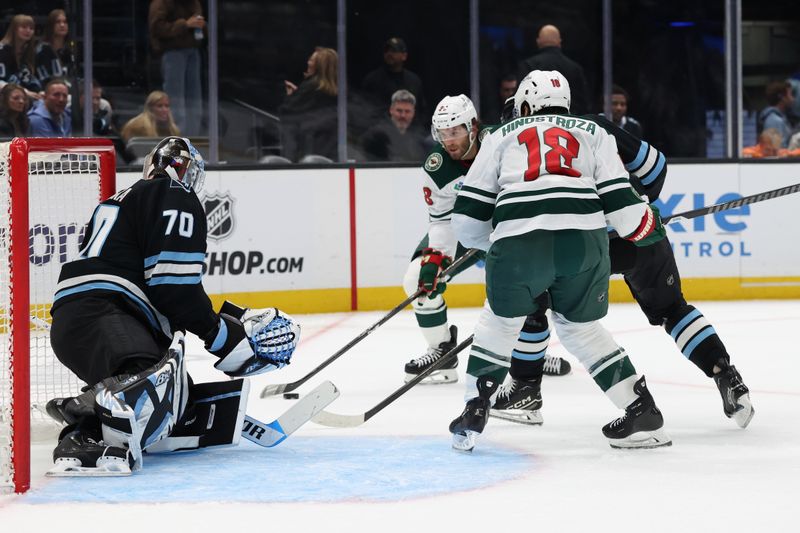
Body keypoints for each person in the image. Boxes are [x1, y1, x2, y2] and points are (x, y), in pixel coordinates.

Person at [489, 84, 756, 431]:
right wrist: (632, 203)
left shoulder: (511, 143)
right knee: (673, 309)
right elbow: (655, 168)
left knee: (533, 293)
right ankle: (727, 375)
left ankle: (525, 387)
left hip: (581, 245)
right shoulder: (594, 126)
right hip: (640, 235)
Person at [46, 137, 301, 476]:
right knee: (153, 382)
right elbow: (173, 286)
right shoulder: (175, 194)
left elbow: (161, 286)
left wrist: (223, 321)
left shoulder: (126, 198)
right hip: (108, 314)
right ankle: (80, 424)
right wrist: (222, 335)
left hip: (83, 320)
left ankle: (126, 407)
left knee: (173, 388)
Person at [448, 70, 672, 452]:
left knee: (499, 323)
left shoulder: (501, 134)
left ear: (524, 103)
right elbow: (626, 212)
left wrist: (499, 242)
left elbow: (467, 223)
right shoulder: (595, 131)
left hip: (519, 243)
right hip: (583, 245)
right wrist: (647, 222)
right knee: (580, 329)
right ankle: (640, 409)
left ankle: (475, 407)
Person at [402, 93, 570, 390]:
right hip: (465, 229)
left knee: (522, 291)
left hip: (509, 224)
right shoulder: (436, 166)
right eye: (443, 133)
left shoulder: (503, 141)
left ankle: (529, 355)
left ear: (473, 127)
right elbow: (441, 220)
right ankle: (442, 351)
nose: (449, 140)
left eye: (455, 132)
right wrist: (435, 258)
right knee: (417, 278)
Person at [148, 0, 205, 136]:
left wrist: (201, 26)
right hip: (172, 51)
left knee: (194, 101)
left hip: (193, 50)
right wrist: (185, 25)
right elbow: (156, 27)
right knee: (175, 101)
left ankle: (193, 140)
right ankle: (176, 139)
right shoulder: (162, 3)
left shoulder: (194, 3)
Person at [279, 46, 338, 162]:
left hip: (310, 148)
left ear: (319, 66)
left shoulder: (311, 86)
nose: (308, 62)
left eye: (311, 60)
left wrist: (291, 97)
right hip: (329, 149)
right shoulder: (334, 89)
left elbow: (286, 112)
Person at [516, 25, 589, 114]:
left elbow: (520, 99)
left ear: (538, 41)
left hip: (536, 121)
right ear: (559, 42)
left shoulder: (528, 66)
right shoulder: (575, 69)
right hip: (570, 123)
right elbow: (582, 103)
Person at [361, 38, 425, 124]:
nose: (389, 54)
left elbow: (421, 110)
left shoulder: (414, 81)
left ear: (404, 56)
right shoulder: (372, 80)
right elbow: (365, 110)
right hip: (381, 132)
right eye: (387, 51)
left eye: (394, 51)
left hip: (410, 132)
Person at [360, 89, 428, 162]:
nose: (403, 115)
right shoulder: (377, 135)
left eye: (407, 111)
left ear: (413, 113)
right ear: (391, 110)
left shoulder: (418, 137)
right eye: (399, 111)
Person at [0, 14, 42, 100]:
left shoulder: (27, 54)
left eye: (31, 28)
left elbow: (30, 82)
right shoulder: (2, 50)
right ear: (14, 29)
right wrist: (24, 92)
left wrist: (41, 92)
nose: (28, 31)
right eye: (23, 27)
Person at [35, 9, 74, 85]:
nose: (62, 25)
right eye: (58, 22)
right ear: (51, 25)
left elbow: (73, 75)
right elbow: (44, 79)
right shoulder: (42, 50)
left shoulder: (68, 51)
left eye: (65, 22)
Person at [757, 81, 794, 147]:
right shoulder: (774, 120)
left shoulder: (780, 118)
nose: (792, 99)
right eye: (790, 95)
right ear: (782, 97)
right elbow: (777, 149)